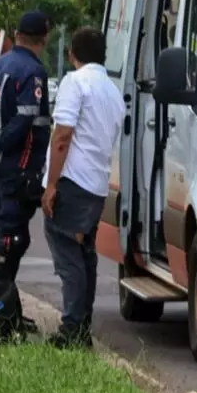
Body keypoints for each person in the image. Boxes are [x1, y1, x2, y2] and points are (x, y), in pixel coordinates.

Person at [41, 27, 127, 347]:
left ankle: (72, 328)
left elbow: (62, 135)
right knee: (84, 254)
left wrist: (51, 183)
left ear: (71, 54)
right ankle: (81, 328)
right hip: (97, 184)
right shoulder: (113, 91)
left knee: (67, 252)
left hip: (73, 180)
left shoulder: (75, 82)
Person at [0, 10, 52, 286]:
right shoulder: (33, 71)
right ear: (44, 38)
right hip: (20, 164)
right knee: (12, 236)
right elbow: (24, 120)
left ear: (17, 35)